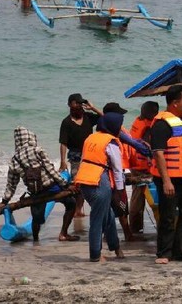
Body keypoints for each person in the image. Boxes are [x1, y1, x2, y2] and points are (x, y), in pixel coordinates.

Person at [0, 126, 80, 242]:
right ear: (30, 138)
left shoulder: (14, 160)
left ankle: (35, 240)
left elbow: (11, 184)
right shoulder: (38, 151)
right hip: (52, 187)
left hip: (36, 192)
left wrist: (5, 201)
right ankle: (63, 234)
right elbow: (51, 171)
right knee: (71, 203)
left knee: (37, 219)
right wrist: (65, 185)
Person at [149, 84, 182, 264]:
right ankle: (164, 253)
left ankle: (181, 252)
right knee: (168, 216)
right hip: (170, 179)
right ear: (174, 103)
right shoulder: (162, 124)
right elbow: (158, 153)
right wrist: (166, 181)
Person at [74, 112, 126, 262]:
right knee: (98, 219)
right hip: (99, 182)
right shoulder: (111, 142)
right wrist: (120, 190)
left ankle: (116, 247)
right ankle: (95, 254)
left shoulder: (91, 138)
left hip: (84, 180)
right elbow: (117, 169)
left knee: (107, 214)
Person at [102, 102, 151, 242]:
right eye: (119, 114)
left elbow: (130, 140)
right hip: (113, 173)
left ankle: (124, 233)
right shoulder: (111, 133)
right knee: (120, 204)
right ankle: (127, 234)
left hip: (121, 170)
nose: (122, 117)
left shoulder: (114, 129)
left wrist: (140, 143)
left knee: (117, 204)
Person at [59, 93, 101, 217]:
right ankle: (77, 209)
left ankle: (81, 208)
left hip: (90, 154)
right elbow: (63, 143)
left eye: (80, 103)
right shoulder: (66, 122)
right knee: (77, 183)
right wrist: (62, 161)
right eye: (76, 103)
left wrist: (93, 108)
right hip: (75, 156)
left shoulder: (88, 117)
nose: (79, 105)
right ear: (69, 104)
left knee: (91, 181)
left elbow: (105, 118)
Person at [127, 100, 159, 235]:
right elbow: (148, 146)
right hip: (143, 166)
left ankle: (136, 228)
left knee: (137, 197)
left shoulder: (137, 122)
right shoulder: (147, 127)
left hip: (135, 164)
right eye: (156, 111)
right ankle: (135, 228)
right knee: (143, 197)